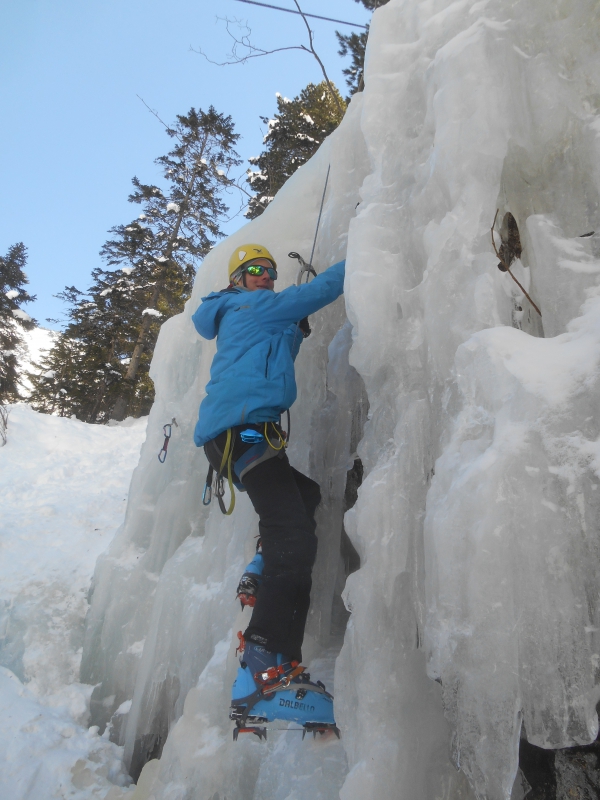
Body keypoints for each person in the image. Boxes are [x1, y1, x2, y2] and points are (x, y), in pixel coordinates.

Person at [192, 243, 345, 734]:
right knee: (294, 539)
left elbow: (272, 355)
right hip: (243, 433)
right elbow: (320, 291)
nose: (266, 276)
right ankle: (261, 667)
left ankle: (261, 571)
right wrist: (363, 252)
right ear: (238, 278)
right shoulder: (246, 304)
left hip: (241, 436)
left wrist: (294, 334)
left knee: (306, 497)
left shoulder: (253, 315)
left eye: (271, 272)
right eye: (255, 270)